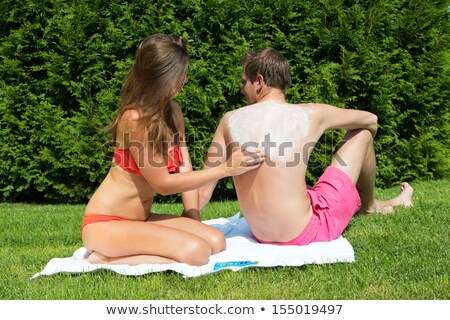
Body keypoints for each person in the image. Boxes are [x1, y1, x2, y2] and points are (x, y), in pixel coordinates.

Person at [199, 47, 413, 246]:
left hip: (260, 234)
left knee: (309, 191)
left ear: (259, 81)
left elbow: (202, 189)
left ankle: (374, 204)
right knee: (363, 133)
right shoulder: (310, 114)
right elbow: (371, 120)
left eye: (244, 82)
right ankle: (369, 207)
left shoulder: (229, 120)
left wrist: (187, 223)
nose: (242, 89)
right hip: (306, 232)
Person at [81, 34, 265, 266]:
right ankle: (105, 258)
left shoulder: (173, 112)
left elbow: (183, 167)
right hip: (106, 223)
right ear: (160, 76)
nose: (185, 80)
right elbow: (163, 184)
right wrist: (225, 169)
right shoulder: (134, 119)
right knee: (197, 252)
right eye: (180, 74)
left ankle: (120, 253)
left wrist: (192, 215)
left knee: (216, 242)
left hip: (141, 220)